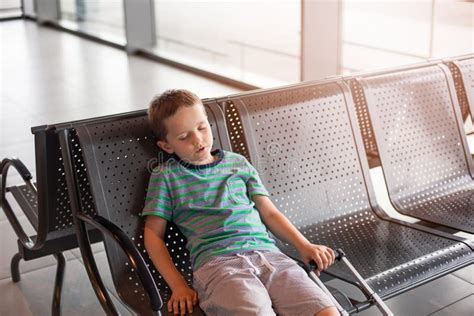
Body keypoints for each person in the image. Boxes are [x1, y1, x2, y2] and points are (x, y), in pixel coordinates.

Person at [143, 89, 339, 316]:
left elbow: (270, 213)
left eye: (202, 127)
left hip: (270, 256)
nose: (198, 140)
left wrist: (303, 245)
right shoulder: (166, 176)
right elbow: (153, 235)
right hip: (219, 265)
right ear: (166, 146)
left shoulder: (238, 163)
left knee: (326, 312)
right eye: (184, 137)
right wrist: (178, 285)